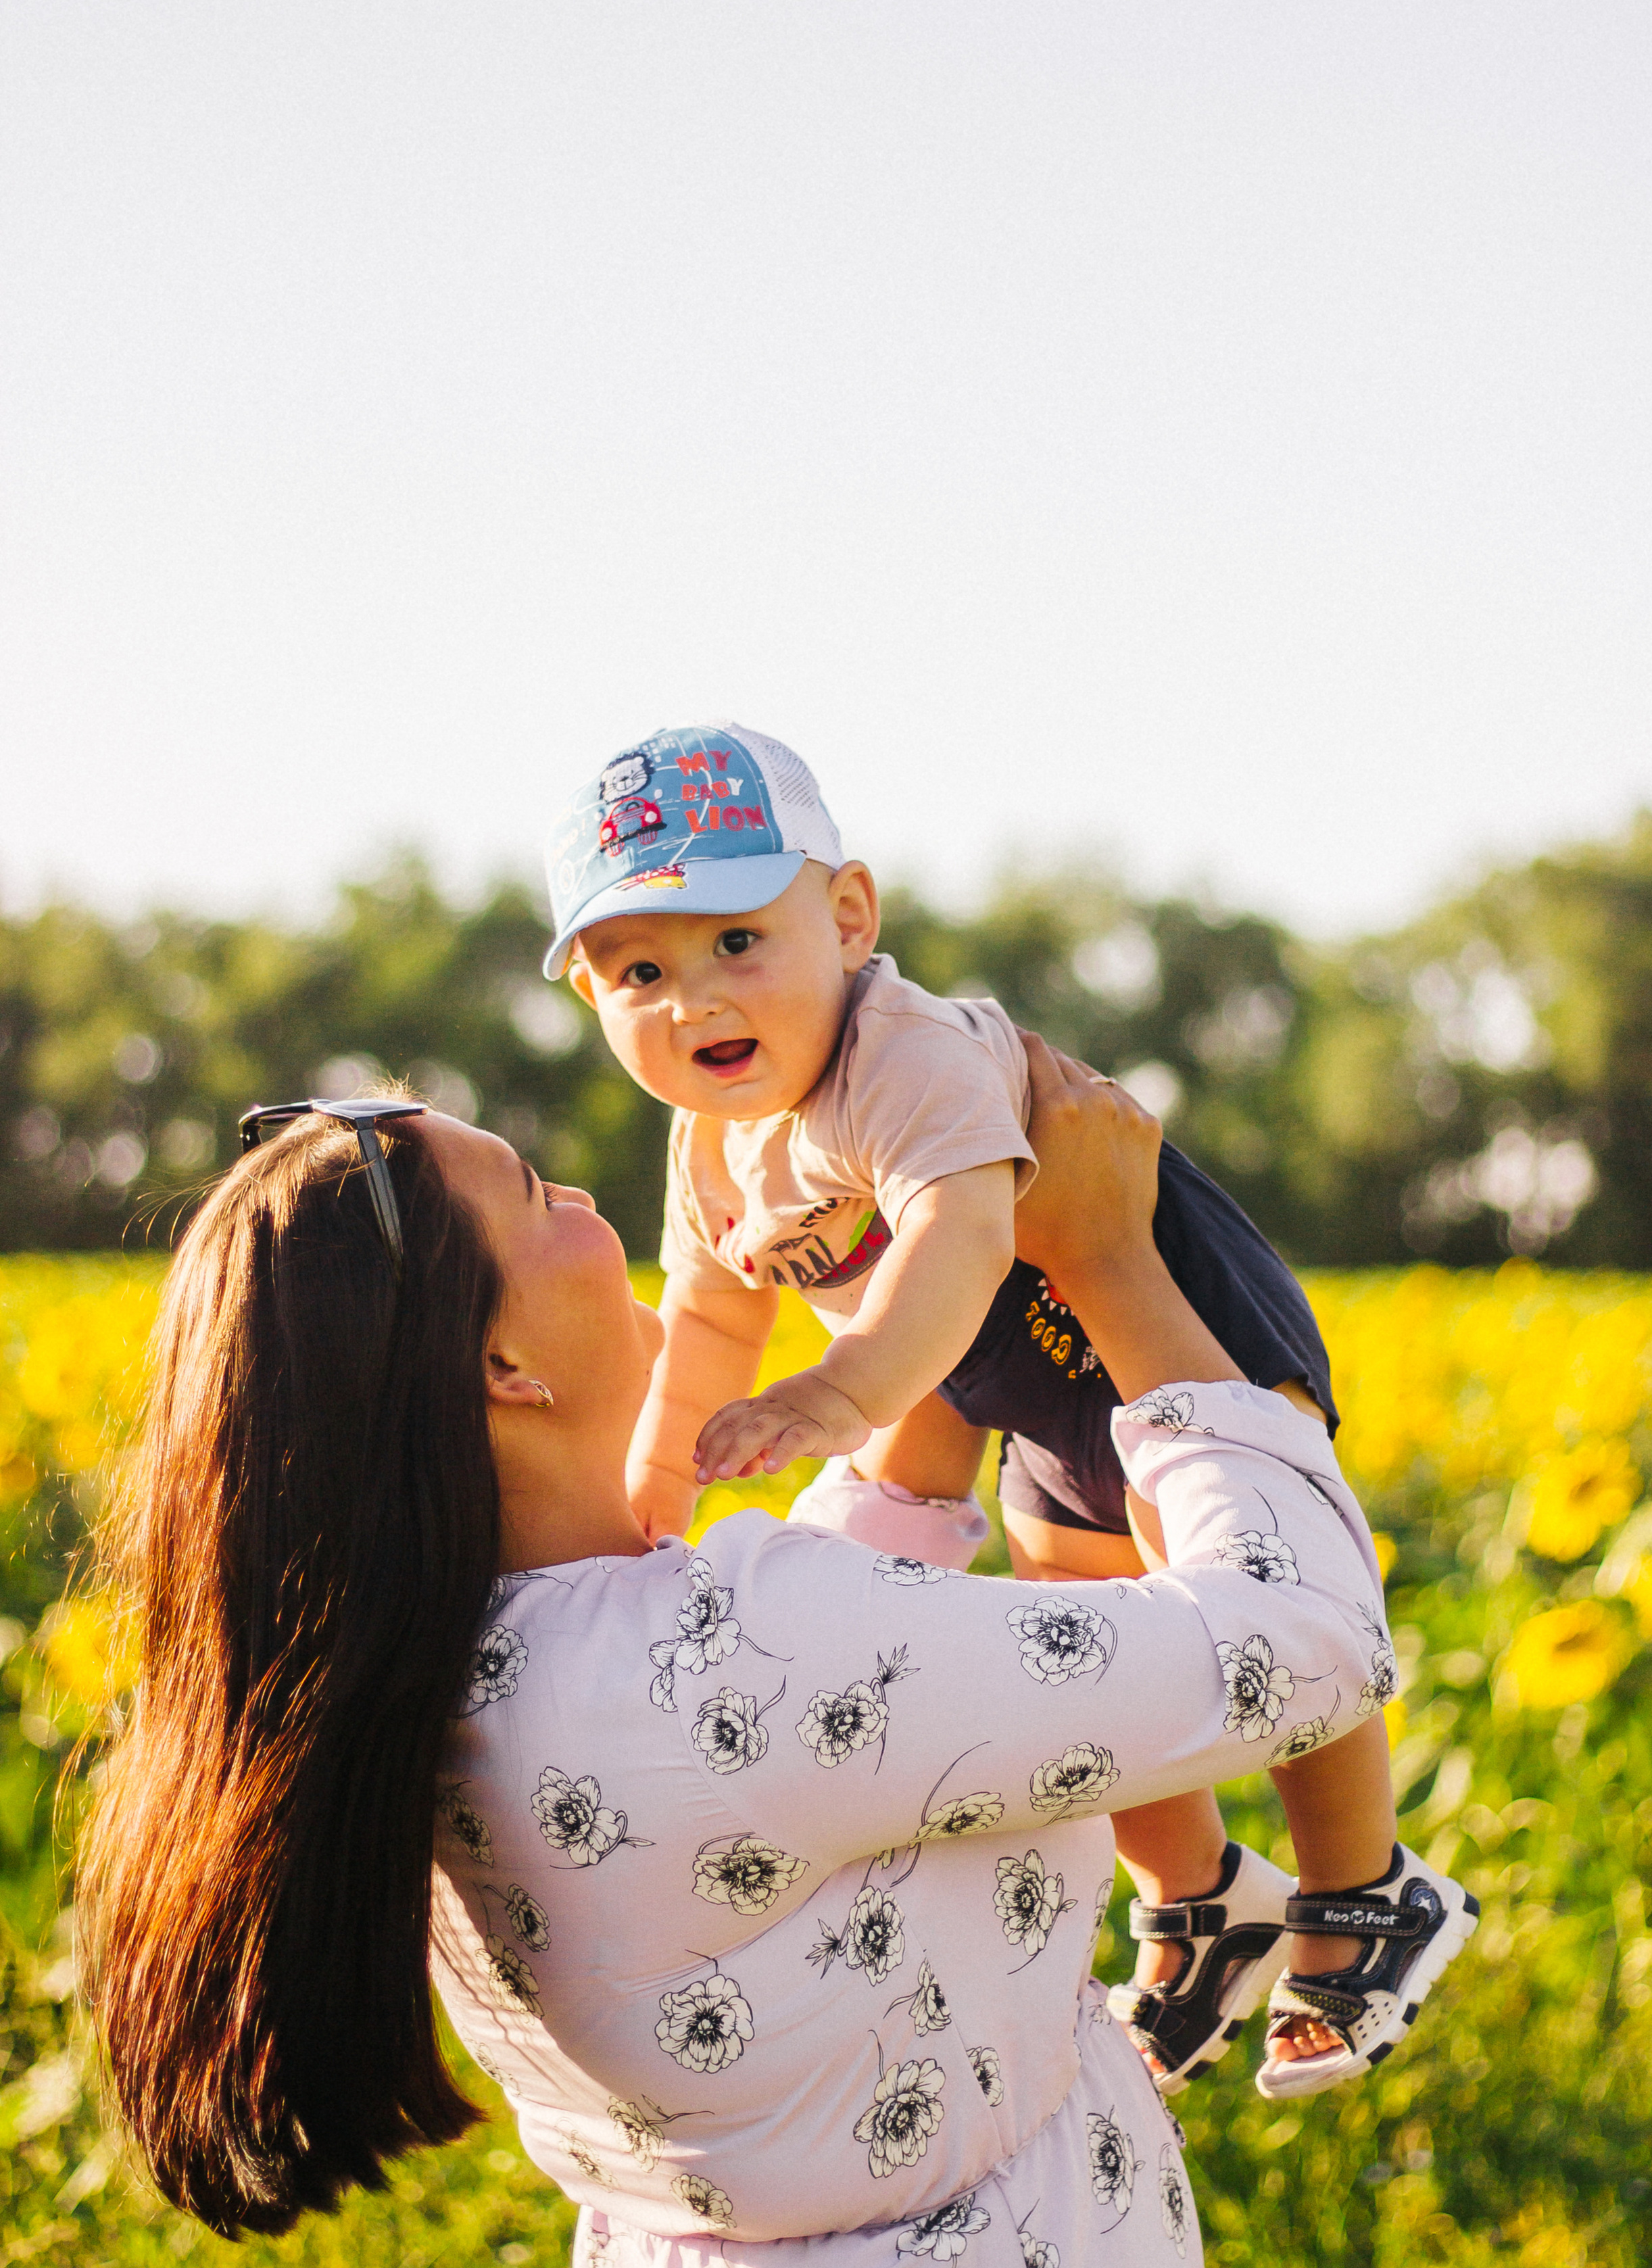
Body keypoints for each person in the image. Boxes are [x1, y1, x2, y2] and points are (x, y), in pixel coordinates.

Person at [83, 1052, 1409, 2268]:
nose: (588, 1196)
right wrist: (1104, 1263)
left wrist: (934, 1255)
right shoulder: (729, 1658)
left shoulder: (450, 1668)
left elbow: (828, 1693)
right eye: (536, 1196)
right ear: (501, 1368)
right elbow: (1301, 1640)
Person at [542, 723, 1473, 2096]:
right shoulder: (708, 1147)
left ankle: (1365, 1889)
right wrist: (653, 1499)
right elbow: (707, 1321)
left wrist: (843, 1392)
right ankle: (1205, 1902)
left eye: (737, 941)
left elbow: (961, 1243)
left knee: (1261, 1598)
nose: (693, 998)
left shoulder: (899, 1057)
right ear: (589, 997)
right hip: (1025, 1395)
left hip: (1164, 1319)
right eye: (639, 970)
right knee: (1090, 1652)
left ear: (847, 917)